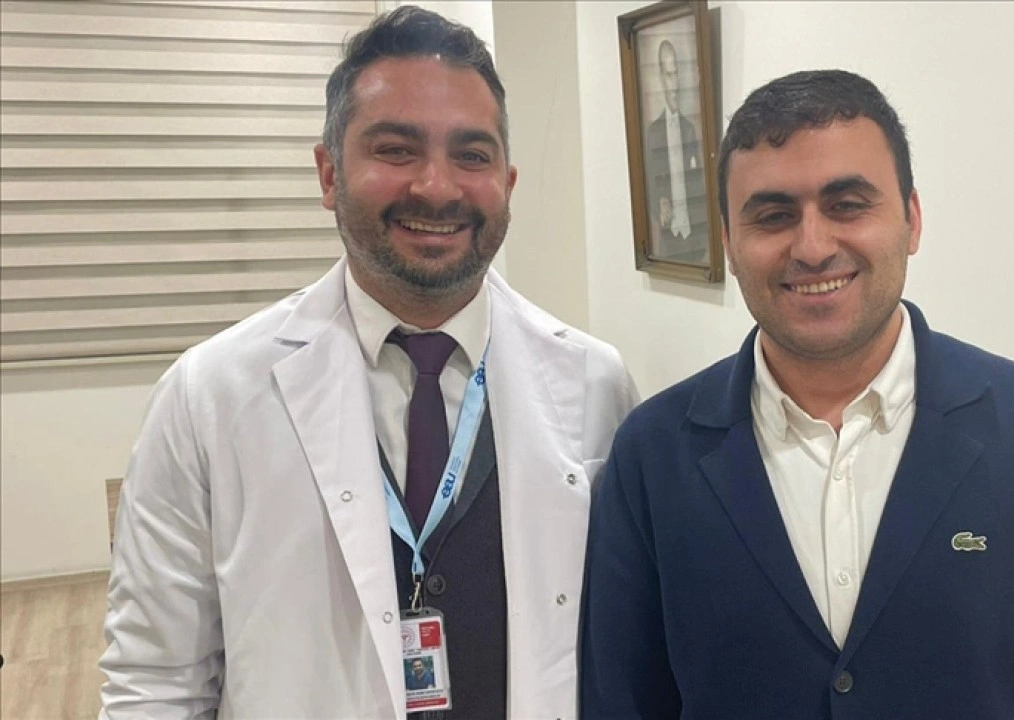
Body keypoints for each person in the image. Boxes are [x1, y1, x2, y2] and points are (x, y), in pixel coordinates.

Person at [100, 7, 636, 719]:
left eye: (472, 155)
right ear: (330, 174)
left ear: (507, 182)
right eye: (396, 149)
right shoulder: (209, 396)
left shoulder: (596, 385)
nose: (437, 187)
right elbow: (155, 682)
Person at [580, 70, 1014, 719]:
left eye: (848, 205)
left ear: (911, 219)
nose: (812, 246)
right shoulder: (653, 458)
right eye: (773, 216)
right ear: (730, 245)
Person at [644, 39, 707, 261]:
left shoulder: (690, 129)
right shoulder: (653, 133)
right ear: (661, 79)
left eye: (676, 74)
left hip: (697, 239)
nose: (675, 84)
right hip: (670, 241)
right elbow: (648, 187)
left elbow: (699, 182)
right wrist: (659, 205)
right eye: (669, 76)